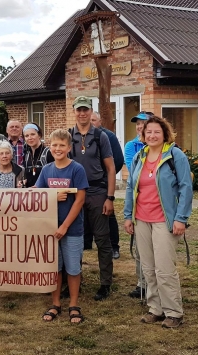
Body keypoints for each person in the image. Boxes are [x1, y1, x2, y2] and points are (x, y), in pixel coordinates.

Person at [124, 115, 192, 329]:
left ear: (165, 134)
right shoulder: (139, 156)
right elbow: (130, 187)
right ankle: (156, 308)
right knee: (148, 268)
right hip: (141, 219)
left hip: (165, 220)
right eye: (148, 131)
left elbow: (186, 187)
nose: (152, 135)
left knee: (164, 269)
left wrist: (181, 218)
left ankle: (174, 312)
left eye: (156, 132)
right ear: (143, 135)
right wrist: (128, 216)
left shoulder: (175, 155)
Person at [35, 129, 88, 323]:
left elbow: (80, 199)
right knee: (54, 268)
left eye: (61, 145)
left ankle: (73, 304)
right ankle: (55, 303)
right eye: (54, 145)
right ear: (50, 147)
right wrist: (53, 196)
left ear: (69, 147)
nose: (58, 149)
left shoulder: (76, 169)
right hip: (50, 228)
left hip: (71, 228)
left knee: (73, 268)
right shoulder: (47, 170)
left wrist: (65, 226)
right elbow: (38, 196)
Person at [69, 96, 116, 301]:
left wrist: (110, 198)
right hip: (73, 194)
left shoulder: (100, 136)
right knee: (74, 239)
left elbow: (111, 168)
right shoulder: (68, 136)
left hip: (97, 193)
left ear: (90, 112)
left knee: (102, 240)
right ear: (74, 111)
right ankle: (73, 280)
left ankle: (105, 283)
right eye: (79, 110)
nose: (82, 113)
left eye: (85, 110)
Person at [124, 111, 153, 298]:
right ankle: (142, 284)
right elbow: (134, 173)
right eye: (138, 124)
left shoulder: (168, 147)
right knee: (141, 248)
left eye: (144, 124)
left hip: (157, 204)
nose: (140, 127)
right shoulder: (131, 146)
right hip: (139, 202)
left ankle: (156, 283)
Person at [91, 111, 124, 259]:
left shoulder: (107, 136)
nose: (91, 123)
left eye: (94, 120)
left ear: (99, 121)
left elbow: (117, 160)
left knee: (108, 214)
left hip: (103, 183)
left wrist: (106, 176)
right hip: (86, 184)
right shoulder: (78, 135)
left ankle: (114, 246)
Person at [22, 122, 54, 188]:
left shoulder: (48, 153)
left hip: (45, 194)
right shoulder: (26, 154)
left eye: (32, 134)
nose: (30, 138)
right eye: (26, 136)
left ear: (39, 135)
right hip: (30, 194)